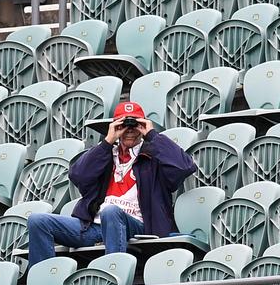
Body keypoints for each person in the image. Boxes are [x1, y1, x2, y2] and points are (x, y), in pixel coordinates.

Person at [27, 101, 197, 267]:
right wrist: (107, 141)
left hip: (137, 224)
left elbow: (185, 166)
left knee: (111, 212)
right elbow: (77, 175)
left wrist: (152, 135)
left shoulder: (153, 157)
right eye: (123, 125)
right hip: (94, 226)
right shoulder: (105, 155)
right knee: (37, 221)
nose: (129, 130)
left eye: (135, 124)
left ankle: (113, 278)